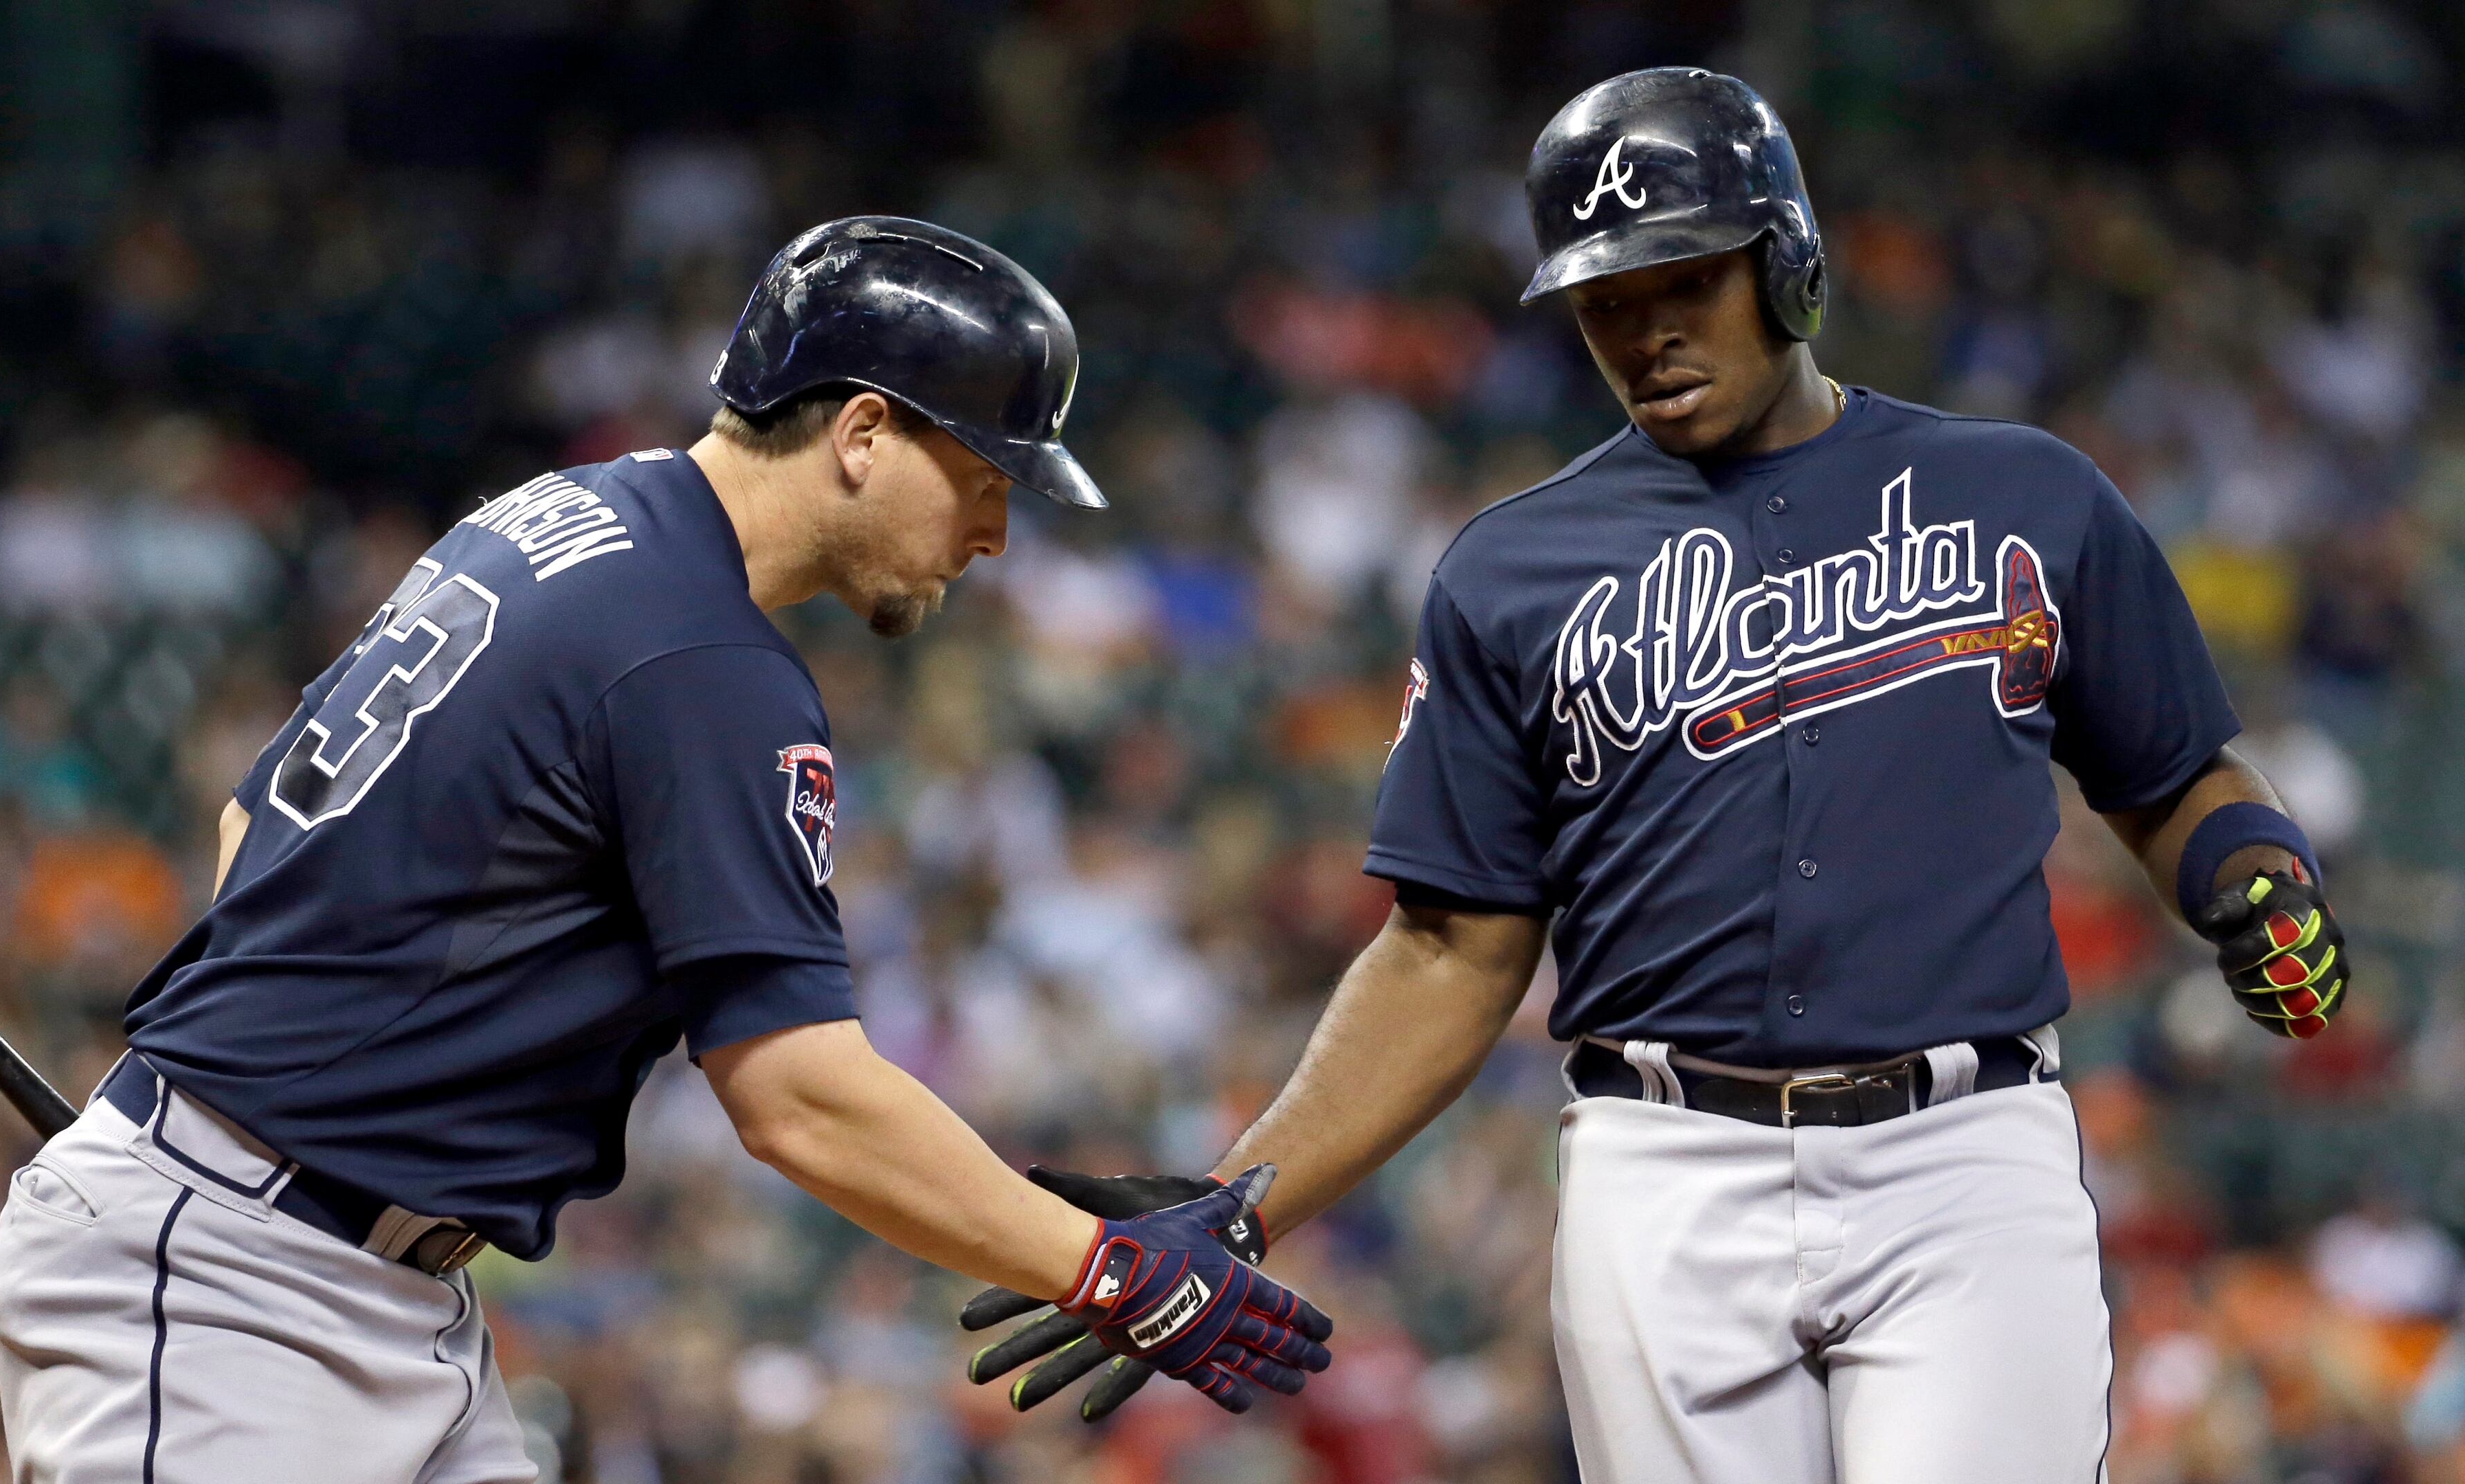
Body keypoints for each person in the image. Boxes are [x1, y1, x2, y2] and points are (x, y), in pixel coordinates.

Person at [961, 69, 2348, 1482]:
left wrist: (2256, 871)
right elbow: (1449, 947)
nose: (1646, 331)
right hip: (1665, 1174)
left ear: (1788, 262)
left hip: (1965, 1162)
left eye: (1685, 279)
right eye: (1606, 298)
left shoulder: (2028, 492)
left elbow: (2179, 774)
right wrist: (1242, 1194)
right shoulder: (1510, 570)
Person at [0, 217, 1330, 1483]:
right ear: (863, 432)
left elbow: (248, 834)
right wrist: (1105, 1270)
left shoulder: (550, 520)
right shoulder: (700, 653)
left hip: (343, 1277)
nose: (992, 532)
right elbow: (798, 1096)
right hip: (238, 1283)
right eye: (983, 478)